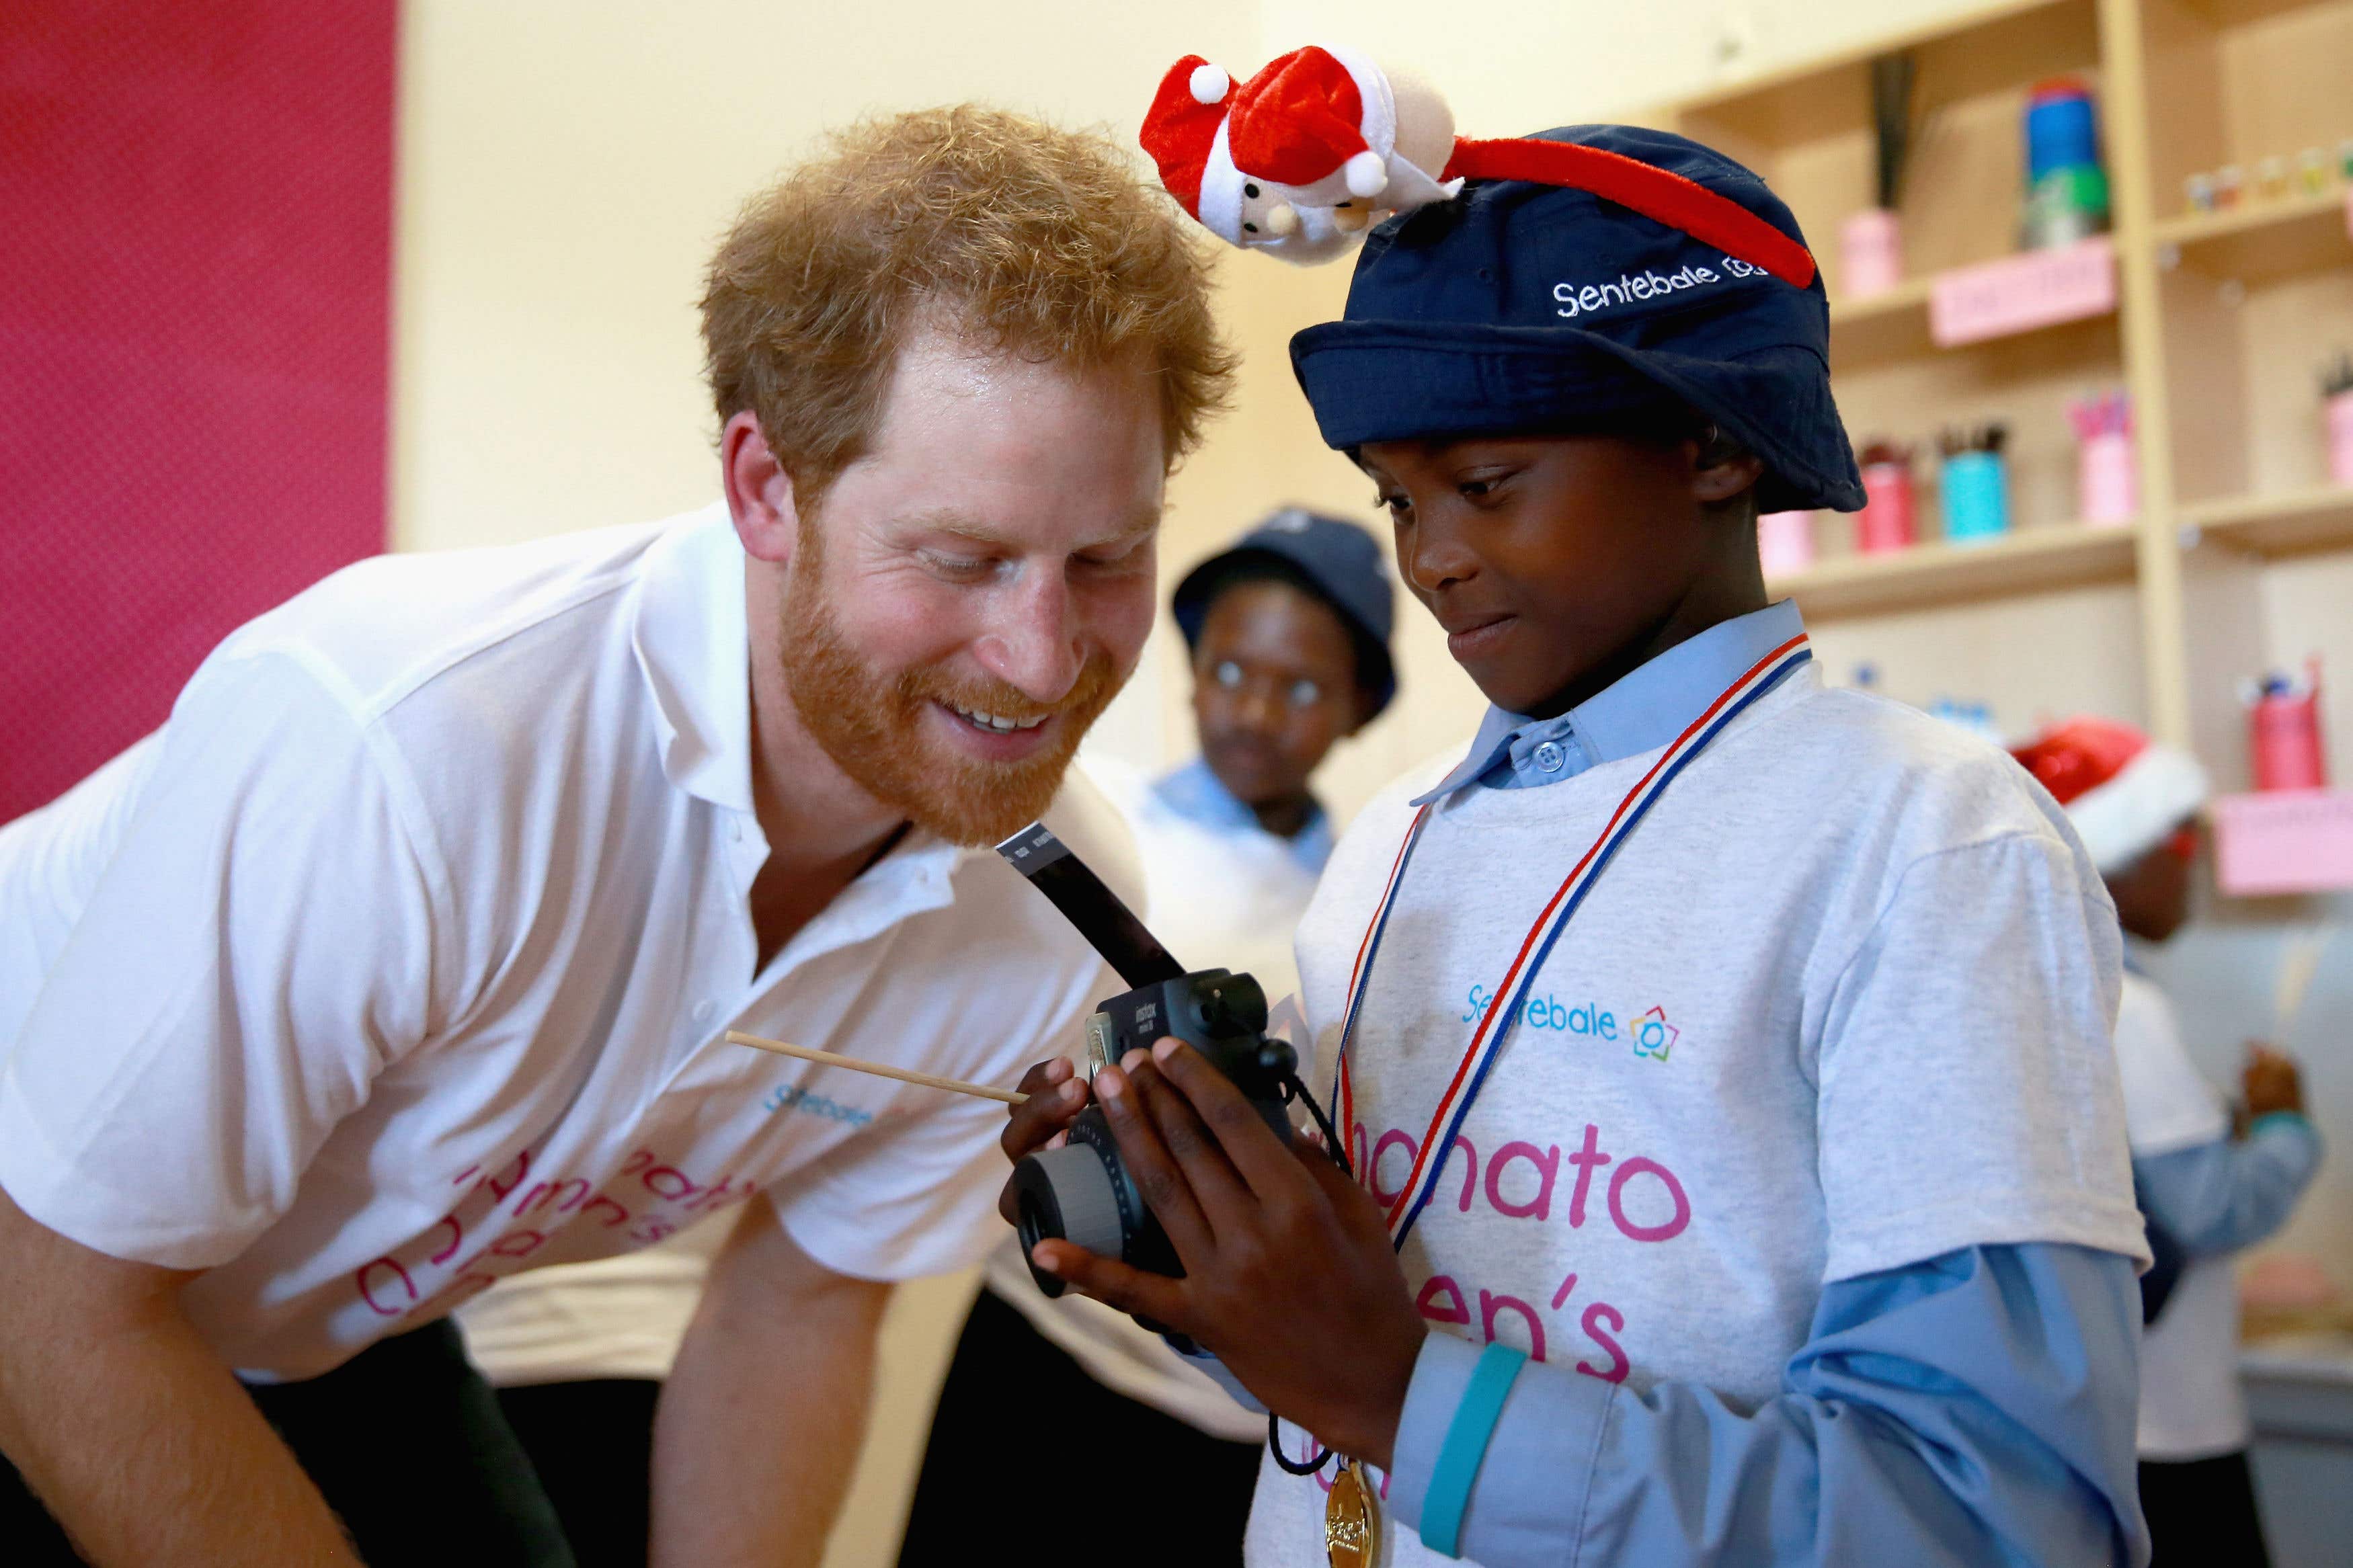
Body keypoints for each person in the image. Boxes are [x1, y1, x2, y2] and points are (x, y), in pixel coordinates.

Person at [0, 105, 1231, 1567]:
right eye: (961, 558)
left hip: (305, 1321)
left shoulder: (1045, 916)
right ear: (766, 486)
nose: (1043, 661)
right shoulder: (414, 742)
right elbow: (54, 1296)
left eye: (1106, 557)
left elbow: (803, 1302)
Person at [998, 123, 2153, 1567]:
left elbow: (1993, 1514)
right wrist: (1194, 1248)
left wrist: (1398, 1390)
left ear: (1717, 439)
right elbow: (1356, 1359)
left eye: (1485, 480)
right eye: (1398, 497)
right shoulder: (1393, 846)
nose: (1430, 556)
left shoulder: (1922, 843)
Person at [897, 509, 1394, 1564]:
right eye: (1230, 670)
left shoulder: (1363, 906)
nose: (1256, 711)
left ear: (1357, 706)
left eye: (1301, 687)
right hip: (1038, 1345)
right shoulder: (1082, 834)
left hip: (1219, 1408)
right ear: (1194, 664)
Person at [2014, 717, 2325, 1567]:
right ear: (2113, 851)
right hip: (2171, 1420)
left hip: (2089, 1412)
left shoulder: (2039, 986)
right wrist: (2283, 1123)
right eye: (2178, 834)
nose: (2193, 856)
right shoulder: (2127, 1007)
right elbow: (2209, 1210)